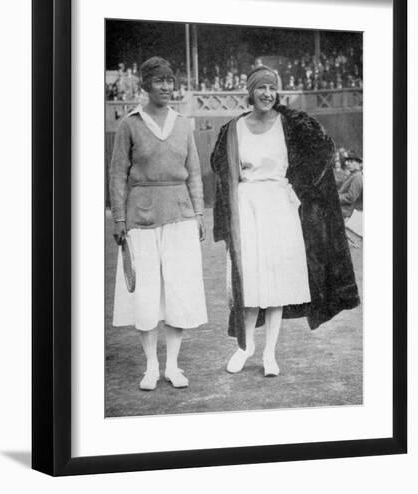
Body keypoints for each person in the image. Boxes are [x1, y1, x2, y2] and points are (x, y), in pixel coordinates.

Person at [211, 65, 360, 377]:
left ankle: (269, 354)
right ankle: (245, 346)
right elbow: (222, 169)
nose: (267, 93)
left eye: (272, 88)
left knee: (277, 282)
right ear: (250, 92)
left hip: (280, 205)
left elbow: (322, 148)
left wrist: (303, 186)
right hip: (247, 207)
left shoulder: (291, 124)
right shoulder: (234, 128)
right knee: (249, 281)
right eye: (261, 88)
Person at [110, 56, 208, 391]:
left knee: (178, 291)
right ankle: (151, 366)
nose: (166, 87)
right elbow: (117, 174)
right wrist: (120, 219)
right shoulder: (130, 124)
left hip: (179, 214)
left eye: (170, 81)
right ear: (145, 85)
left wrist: (198, 214)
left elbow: (194, 172)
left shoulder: (183, 123)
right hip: (141, 217)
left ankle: (173, 366)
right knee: (147, 294)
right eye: (159, 81)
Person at [338, 152, 363, 219]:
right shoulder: (352, 175)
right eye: (348, 161)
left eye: (351, 161)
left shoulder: (357, 177)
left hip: (343, 213)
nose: (348, 163)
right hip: (340, 210)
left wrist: (335, 198)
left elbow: (351, 197)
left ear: (358, 163)